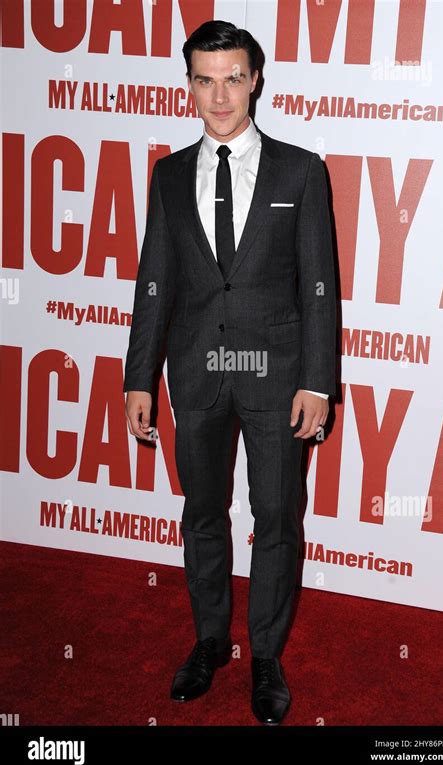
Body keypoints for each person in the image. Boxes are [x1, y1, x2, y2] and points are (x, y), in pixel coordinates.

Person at [123, 20, 337, 725]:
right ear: (189, 85)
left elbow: (317, 287)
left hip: (278, 377)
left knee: (277, 516)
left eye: (232, 78)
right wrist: (137, 378)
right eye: (204, 79)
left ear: (256, 82)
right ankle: (211, 641)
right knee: (203, 514)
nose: (219, 95)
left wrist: (317, 380)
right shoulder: (167, 174)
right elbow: (154, 281)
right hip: (197, 372)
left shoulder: (301, 169)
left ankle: (267, 656)